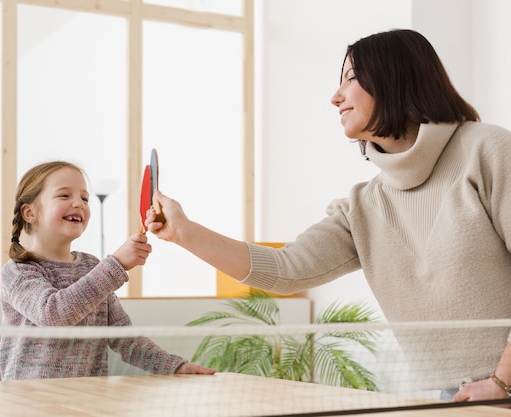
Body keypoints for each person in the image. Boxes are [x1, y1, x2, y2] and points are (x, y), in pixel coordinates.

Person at [145, 29, 511, 403]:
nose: (335, 97)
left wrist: (502, 381)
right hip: (456, 395)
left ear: (396, 78)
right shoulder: (363, 206)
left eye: (350, 79)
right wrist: (183, 232)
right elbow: (285, 270)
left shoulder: (489, 150)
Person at [0, 160, 215, 380]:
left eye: (84, 198)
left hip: (86, 400)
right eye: (64, 195)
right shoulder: (17, 272)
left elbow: (124, 337)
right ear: (29, 212)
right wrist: (117, 264)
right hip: (29, 402)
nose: (78, 203)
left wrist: (175, 367)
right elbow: (53, 314)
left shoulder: (91, 267)